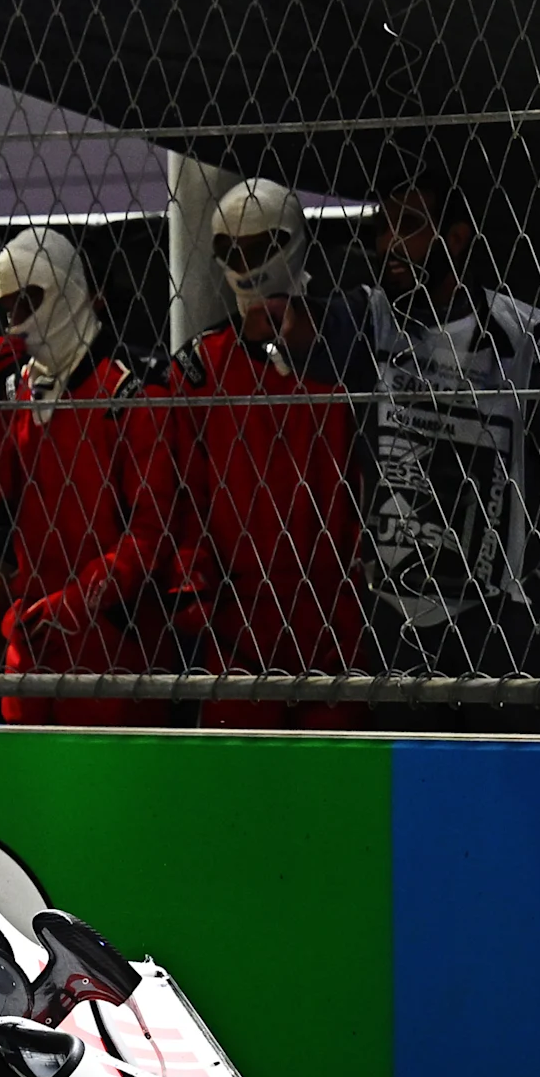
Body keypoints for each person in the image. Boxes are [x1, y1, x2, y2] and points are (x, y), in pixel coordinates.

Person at [313, 172, 540, 682]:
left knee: (512, 753)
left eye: (407, 225)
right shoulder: (372, 318)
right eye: (383, 227)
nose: (388, 244)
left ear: (455, 237)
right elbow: (309, 340)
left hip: (502, 614)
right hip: (394, 609)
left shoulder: (528, 337)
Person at [158, 180, 367, 727]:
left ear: (291, 241)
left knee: (333, 794)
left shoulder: (347, 357)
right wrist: (194, 586)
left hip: (337, 622)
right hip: (237, 630)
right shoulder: (201, 370)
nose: (246, 266)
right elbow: (185, 494)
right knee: (236, 796)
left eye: (260, 247)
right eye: (233, 251)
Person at [0, 228, 172, 726]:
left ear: (67, 287)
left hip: (115, 637)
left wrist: (74, 604)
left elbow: (152, 531)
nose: (17, 322)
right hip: (31, 636)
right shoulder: (16, 389)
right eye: (7, 308)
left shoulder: (131, 390)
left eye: (28, 301)